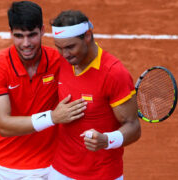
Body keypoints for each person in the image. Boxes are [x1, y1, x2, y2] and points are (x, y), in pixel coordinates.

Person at [0, 2, 87, 180]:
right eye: (19, 36)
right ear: (11, 33)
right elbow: (3, 125)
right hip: (4, 169)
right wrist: (53, 117)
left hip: (52, 166)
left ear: (43, 30)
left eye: (32, 35)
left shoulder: (59, 61)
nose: (26, 44)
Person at [48, 10, 141, 180]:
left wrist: (107, 140)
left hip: (102, 175)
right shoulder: (60, 61)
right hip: (60, 171)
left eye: (70, 47)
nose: (65, 54)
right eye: (59, 48)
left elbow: (133, 127)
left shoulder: (114, 73)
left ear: (88, 36)